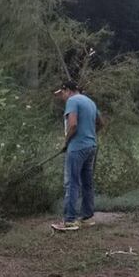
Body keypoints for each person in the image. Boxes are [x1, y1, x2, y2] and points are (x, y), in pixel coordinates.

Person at [51, 80, 105, 232]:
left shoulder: (72, 101)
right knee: (87, 183)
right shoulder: (90, 102)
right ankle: (87, 218)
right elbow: (101, 123)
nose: (62, 97)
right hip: (91, 146)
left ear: (67, 90)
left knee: (72, 183)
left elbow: (73, 124)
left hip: (77, 148)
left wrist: (66, 142)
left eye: (62, 94)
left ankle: (69, 220)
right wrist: (89, 134)